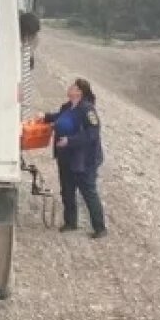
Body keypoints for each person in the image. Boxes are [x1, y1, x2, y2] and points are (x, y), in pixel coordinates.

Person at [42, 78, 107, 238]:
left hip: (84, 159)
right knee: (67, 190)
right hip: (65, 157)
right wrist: (45, 117)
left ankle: (100, 228)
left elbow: (92, 134)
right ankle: (70, 222)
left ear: (79, 92)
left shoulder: (87, 110)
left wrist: (70, 141)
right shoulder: (67, 107)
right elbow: (59, 117)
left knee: (88, 192)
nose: (69, 88)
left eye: (73, 87)